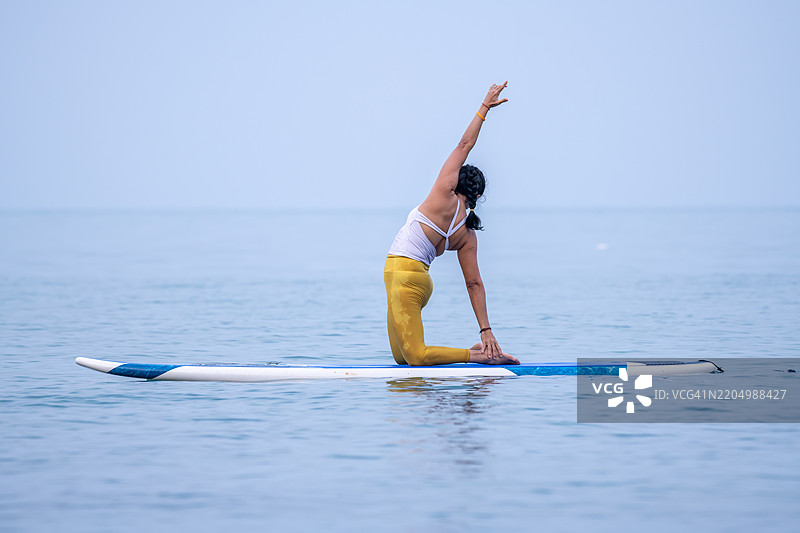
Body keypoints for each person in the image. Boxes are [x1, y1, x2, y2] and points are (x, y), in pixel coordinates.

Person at [384, 82, 520, 366]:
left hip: (402, 279)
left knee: (416, 357)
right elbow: (474, 284)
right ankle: (473, 350)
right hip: (416, 282)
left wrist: (484, 107)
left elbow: (464, 145)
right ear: (478, 196)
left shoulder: (443, 193)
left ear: (456, 180)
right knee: (401, 359)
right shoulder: (467, 234)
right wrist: (485, 329)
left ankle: (478, 356)